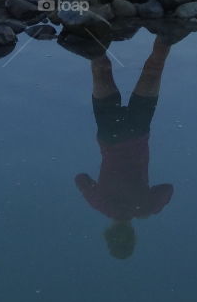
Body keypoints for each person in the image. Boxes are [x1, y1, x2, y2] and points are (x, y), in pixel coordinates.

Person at [74, 38, 174, 259]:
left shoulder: (146, 208)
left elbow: (168, 189)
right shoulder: (100, 204)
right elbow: (80, 179)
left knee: (154, 68)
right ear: (108, 233)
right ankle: (90, 28)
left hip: (138, 131)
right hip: (110, 135)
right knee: (101, 69)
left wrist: (148, 210)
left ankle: (169, 25)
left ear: (132, 234)